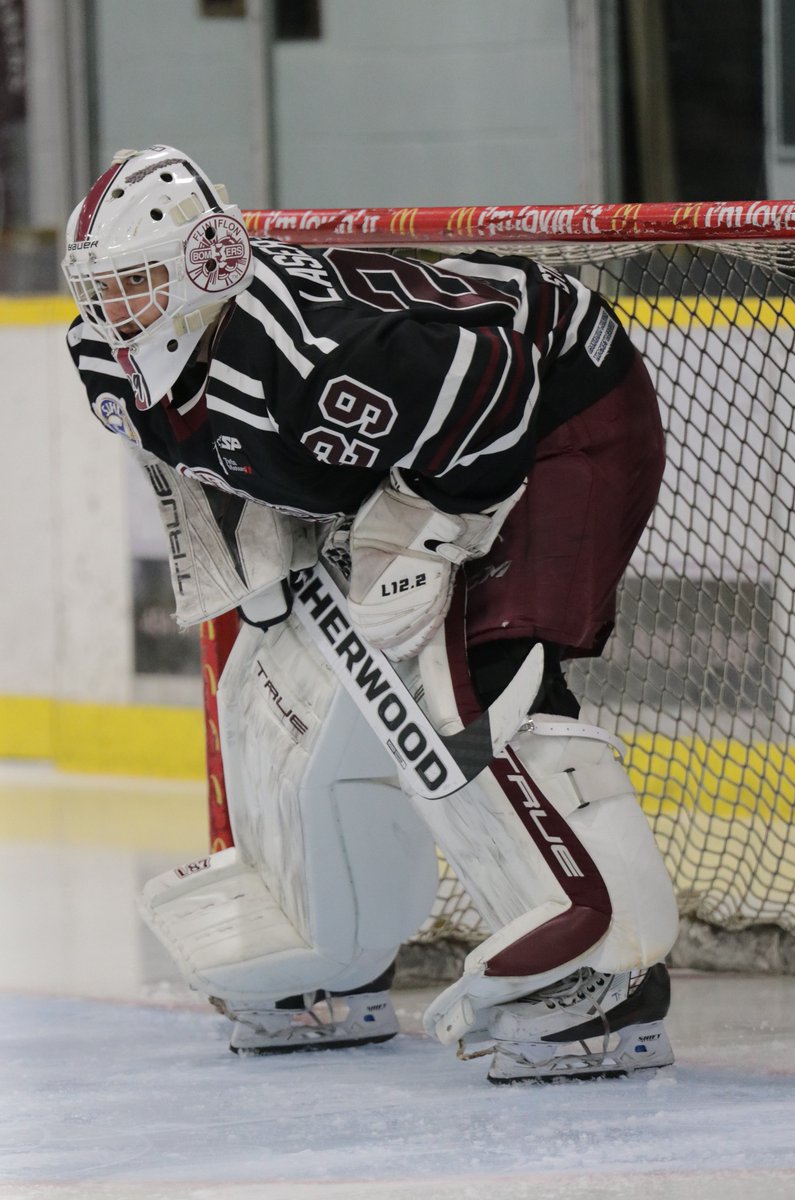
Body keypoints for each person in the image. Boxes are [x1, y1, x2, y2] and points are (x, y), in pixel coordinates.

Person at [63, 145, 679, 1083]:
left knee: (479, 675)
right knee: (281, 681)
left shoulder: (312, 350)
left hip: (562, 413)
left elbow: (491, 371)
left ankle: (611, 977)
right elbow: (182, 448)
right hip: (425, 442)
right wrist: (255, 554)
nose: (113, 313)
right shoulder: (104, 355)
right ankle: (336, 953)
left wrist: (421, 534)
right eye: (101, 290)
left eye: (138, 283)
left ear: (207, 264)